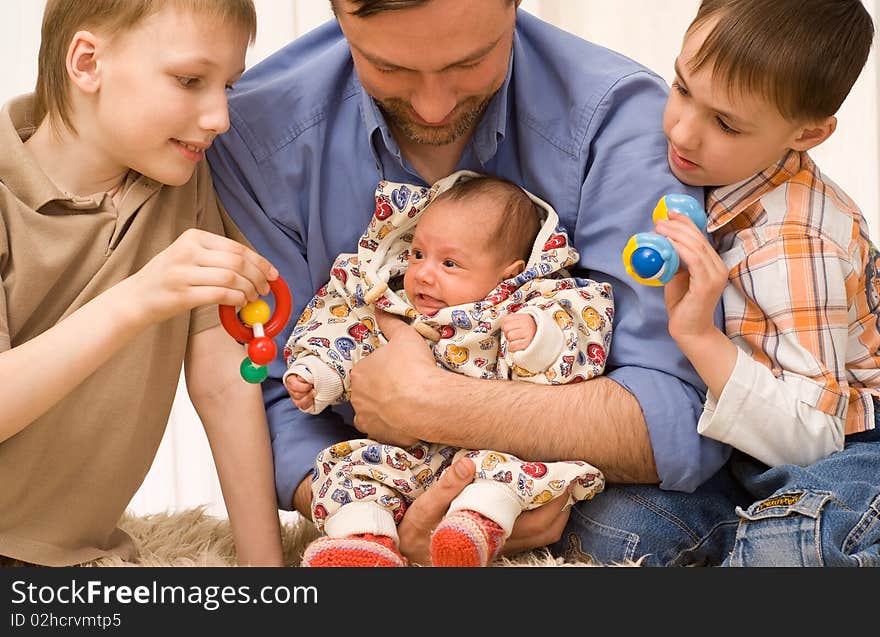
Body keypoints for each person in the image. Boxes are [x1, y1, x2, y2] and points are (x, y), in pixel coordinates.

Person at [207, 0, 726, 566]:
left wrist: (433, 404)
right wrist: (371, 515)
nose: (433, 107)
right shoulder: (251, 132)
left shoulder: (620, 118)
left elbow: (680, 416)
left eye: (469, 63)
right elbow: (271, 388)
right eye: (390, 69)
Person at [569, 0, 879, 567]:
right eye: (682, 88)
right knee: (609, 529)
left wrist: (700, 339)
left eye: (726, 123)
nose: (682, 133)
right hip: (746, 447)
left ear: (809, 133)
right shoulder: (708, 172)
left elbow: (815, 440)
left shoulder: (796, 242)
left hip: (849, 445)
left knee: (792, 546)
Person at [0, 0, 284, 567]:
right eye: (189, 80)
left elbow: (225, 383)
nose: (220, 118)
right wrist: (137, 299)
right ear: (86, 63)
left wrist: (267, 579)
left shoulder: (183, 182)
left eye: (228, 85)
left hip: (80, 559)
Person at [284, 172, 611, 566]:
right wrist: (318, 373)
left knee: (506, 475)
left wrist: (539, 339)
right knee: (346, 468)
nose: (423, 272)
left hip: (488, 449)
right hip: (407, 458)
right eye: (419, 254)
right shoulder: (392, 302)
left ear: (510, 272)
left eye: (450, 263)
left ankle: (474, 527)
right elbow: (344, 331)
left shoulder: (527, 305)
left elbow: (580, 336)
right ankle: (364, 542)